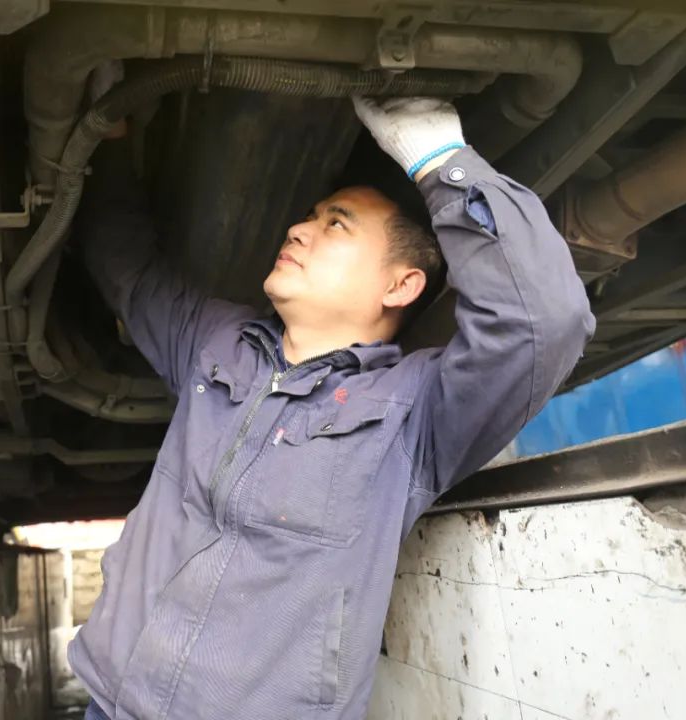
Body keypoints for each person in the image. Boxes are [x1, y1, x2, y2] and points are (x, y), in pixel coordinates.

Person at [71, 94, 595, 720]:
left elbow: (544, 324)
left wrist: (441, 160)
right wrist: (110, 133)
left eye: (336, 225)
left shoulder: (415, 414)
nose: (299, 230)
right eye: (310, 217)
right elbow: (128, 268)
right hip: (110, 703)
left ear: (400, 285)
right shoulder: (216, 342)